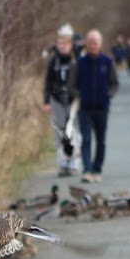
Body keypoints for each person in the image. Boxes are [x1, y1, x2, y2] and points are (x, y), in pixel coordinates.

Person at [70, 29, 119, 183]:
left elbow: (114, 83)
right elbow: (71, 85)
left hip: (102, 108)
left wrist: (108, 94)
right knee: (86, 140)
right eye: (90, 43)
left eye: (95, 43)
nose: (92, 45)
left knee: (101, 140)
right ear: (86, 44)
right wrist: (80, 96)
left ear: (100, 44)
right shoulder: (79, 63)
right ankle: (87, 170)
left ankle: (97, 169)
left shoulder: (107, 62)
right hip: (85, 108)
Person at [43, 25, 80, 176]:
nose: (61, 47)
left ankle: (74, 162)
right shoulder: (54, 62)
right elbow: (48, 82)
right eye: (59, 44)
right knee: (60, 131)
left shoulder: (76, 59)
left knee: (72, 131)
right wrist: (46, 101)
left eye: (64, 44)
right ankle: (63, 163)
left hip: (73, 100)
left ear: (70, 45)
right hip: (57, 99)